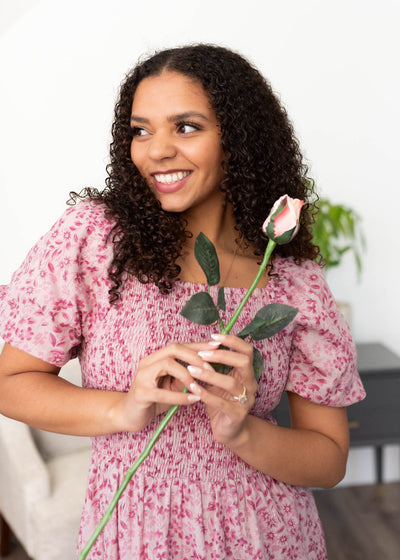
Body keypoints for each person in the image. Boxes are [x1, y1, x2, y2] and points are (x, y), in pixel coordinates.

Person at [0, 44, 365, 559]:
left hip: (270, 537)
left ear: (239, 139)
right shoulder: (95, 242)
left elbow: (328, 460)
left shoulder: (289, 276)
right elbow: (11, 384)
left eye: (186, 127)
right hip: (136, 536)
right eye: (140, 130)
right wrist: (127, 409)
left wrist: (241, 427)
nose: (155, 151)